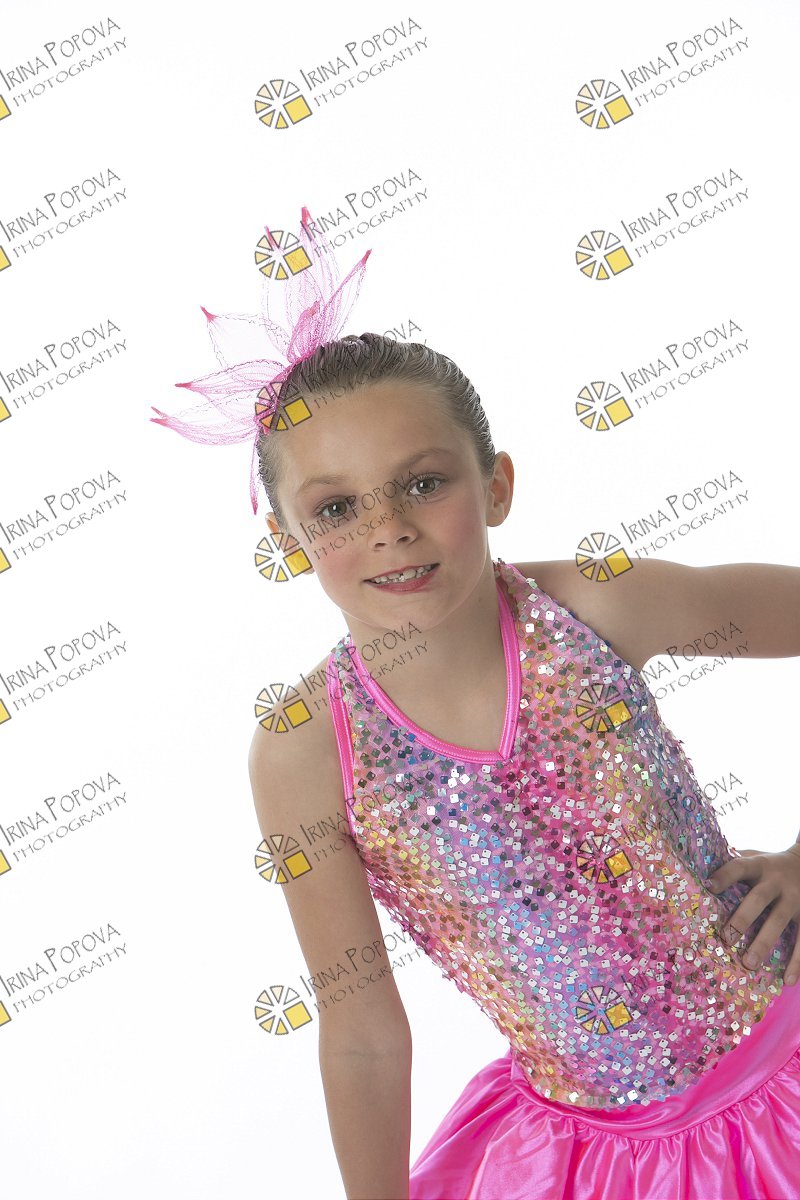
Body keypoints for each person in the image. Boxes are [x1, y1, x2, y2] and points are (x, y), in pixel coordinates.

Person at [152, 229, 800, 1199]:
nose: (388, 529)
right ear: (288, 543)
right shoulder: (303, 752)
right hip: (593, 1155)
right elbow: (364, 1032)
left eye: (423, 483)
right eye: (336, 509)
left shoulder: (599, 606)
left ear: (494, 484)